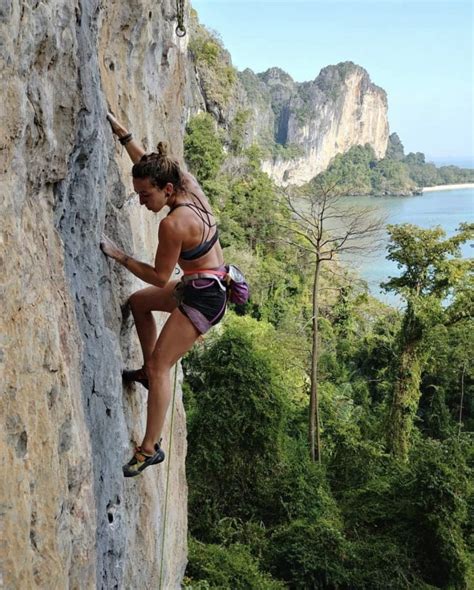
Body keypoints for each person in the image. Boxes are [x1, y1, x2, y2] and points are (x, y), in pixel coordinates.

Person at [101, 112, 227, 477]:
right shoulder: (186, 185)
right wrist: (125, 136)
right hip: (202, 282)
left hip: (203, 298)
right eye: (139, 193)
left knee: (162, 366)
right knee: (138, 305)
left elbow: (158, 277)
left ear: (166, 191)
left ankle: (149, 449)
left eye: (145, 195)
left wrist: (119, 255)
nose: (141, 202)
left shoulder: (173, 225)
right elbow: (151, 167)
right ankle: (147, 371)